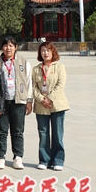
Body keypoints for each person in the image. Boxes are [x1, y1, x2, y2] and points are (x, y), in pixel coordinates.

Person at [0, 36, 33, 170]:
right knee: (2, 131)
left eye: (11, 45)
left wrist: (29, 100)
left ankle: (18, 157)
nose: (8, 48)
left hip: (19, 101)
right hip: (2, 102)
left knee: (17, 131)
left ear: (16, 47)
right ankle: (0, 157)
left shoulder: (23, 61)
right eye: (5, 45)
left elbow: (29, 81)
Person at [32, 41, 69, 171]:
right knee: (43, 133)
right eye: (43, 51)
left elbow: (60, 85)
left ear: (53, 52)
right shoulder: (36, 69)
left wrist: (49, 98)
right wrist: (42, 98)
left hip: (57, 104)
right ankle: (44, 160)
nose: (45, 53)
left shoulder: (59, 67)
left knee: (57, 134)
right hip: (41, 105)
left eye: (48, 50)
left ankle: (58, 160)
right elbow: (33, 86)